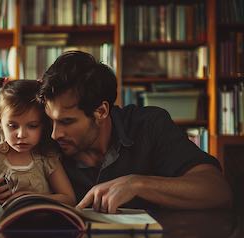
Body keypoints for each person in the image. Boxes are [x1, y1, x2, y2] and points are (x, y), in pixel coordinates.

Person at [37, 50, 232, 213]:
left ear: (101, 111)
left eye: (67, 121)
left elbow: (217, 190)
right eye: (51, 120)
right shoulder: (42, 138)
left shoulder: (148, 125)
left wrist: (138, 184)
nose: (55, 134)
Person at [0, 78, 76, 206]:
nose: (21, 135)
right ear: (0, 122)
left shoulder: (47, 158)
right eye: (13, 126)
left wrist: (34, 198)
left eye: (32, 126)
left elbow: (69, 199)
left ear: (43, 125)